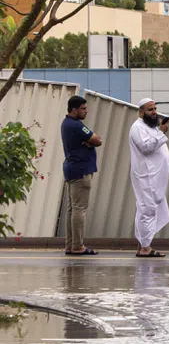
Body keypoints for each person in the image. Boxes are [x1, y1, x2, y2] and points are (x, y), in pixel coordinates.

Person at [129, 98, 169, 258]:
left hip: (154, 177)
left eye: (155, 109)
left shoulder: (151, 127)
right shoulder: (137, 127)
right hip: (146, 175)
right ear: (141, 112)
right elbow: (146, 148)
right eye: (150, 110)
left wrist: (159, 131)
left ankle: (143, 246)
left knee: (146, 209)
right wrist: (162, 132)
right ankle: (145, 248)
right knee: (147, 209)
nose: (154, 112)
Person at [61, 96, 102, 256]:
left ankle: (70, 245)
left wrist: (88, 141)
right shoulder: (76, 125)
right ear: (74, 110)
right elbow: (97, 140)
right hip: (81, 170)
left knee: (72, 209)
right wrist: (90, 141)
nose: (86, 111)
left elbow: (91, 140)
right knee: (79, 209)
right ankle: (78, 246)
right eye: (83, 108)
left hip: (71, 169)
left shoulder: (66, 124)